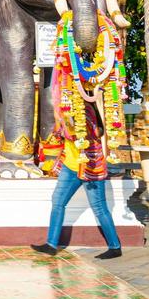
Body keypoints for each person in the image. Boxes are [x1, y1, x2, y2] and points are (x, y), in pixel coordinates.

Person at [32, 78, 122, 260]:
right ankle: (51, 244)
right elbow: (62, 134)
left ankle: (115, 246)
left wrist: (66, 124)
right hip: (70, 165)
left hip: (90, 165)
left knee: (99, 207)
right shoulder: (68, 109)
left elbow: (92, 134)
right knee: (57, 201)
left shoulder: (87, 112)